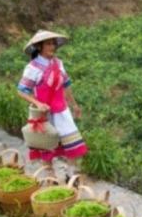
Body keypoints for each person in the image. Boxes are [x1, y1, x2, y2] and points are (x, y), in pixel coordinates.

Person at [16, 29, 88, 165]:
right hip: (45, 113)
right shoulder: (33, 68)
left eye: (53, 44)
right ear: (39, 47)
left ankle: (71, 174)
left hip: (62, 111)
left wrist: (74, 105)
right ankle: (51, 177)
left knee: (72, 145)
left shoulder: (58, 63)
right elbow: (22, 91)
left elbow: (66, 86)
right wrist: (37, 103)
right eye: (48, 44)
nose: (52, 47)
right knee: (46, 148)